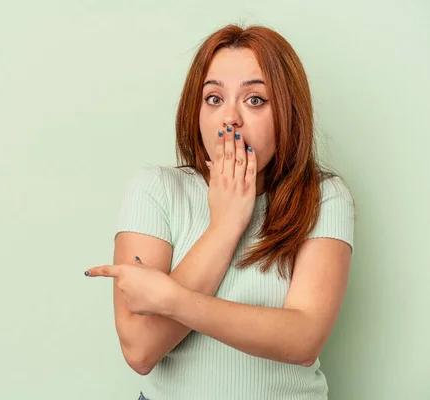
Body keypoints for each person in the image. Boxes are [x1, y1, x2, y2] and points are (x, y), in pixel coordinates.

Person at [85, 24, 355, 400]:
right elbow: (141, 350)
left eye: (255, 100)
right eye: (213, 99)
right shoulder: (156, 188)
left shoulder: (324, 197)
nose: (230, 118)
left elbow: (303, 340)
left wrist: (173, 300)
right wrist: (225, 224)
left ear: (289, 112)